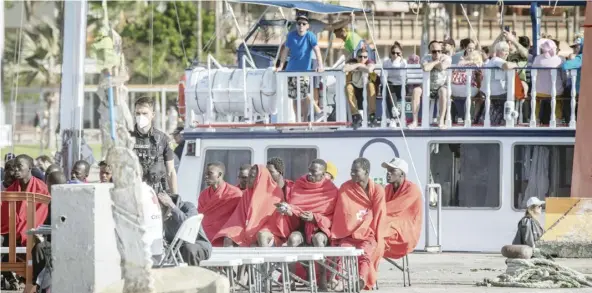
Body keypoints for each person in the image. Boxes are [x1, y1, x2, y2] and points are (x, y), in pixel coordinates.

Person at [271, 159, 338, 290]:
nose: (310, 174)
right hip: (302, 228)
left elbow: (333, 216)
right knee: (293, 239)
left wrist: (315, 217)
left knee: (319, 239)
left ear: (324, 174)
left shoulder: (331, 189)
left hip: (320, 229)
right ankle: (290, 280)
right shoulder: (300, 184)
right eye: (310, 170)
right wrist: (289, 209)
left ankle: (322, 280)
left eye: (315, 171)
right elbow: (296, 207)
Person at [330, 158, 386, 290]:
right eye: (351, 171)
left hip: (368, 234)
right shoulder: (345, 187)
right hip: (348, 234)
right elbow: (344, 212)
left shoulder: (378, 190)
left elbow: (379, 215)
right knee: (342, 253)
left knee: (365, 253)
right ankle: (340, 280)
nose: (352, 174)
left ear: (366, 172)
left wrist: (377, 237)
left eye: (356, 171)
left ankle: (361, 279)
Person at [213, 165, 282, 247]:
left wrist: (253, 229)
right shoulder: (247, 193)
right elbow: (239, 217)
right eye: (248, 176)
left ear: (260, 178)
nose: (248, 180)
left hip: (268, 231)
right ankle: (229, 260)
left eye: (251, 177)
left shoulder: (275, 193)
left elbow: (275, 222)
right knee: (228, 237)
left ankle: (267, 260)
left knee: (261, 237)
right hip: (247, 228)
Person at [275, 11, 325, 122]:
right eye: (299, 23)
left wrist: (320, 65)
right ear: (296, 25)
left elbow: (317, 50)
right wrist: (281, 66)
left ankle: (313, 114)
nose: (301, 26)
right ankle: (298, 120)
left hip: (304, 71)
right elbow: (285, 52)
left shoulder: (310, 36)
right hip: (291, 70)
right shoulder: (291, 36)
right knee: (294, 97)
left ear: (307, 26)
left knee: (303, 94)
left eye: (303, 24)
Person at [130, 96, 178, 194]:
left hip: (157, 193)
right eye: (138, 113)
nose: (140, 116)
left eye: (144, 113)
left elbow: (171, 172)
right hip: (134, 193)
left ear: (152, 115)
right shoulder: (127, 138)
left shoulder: (163, 139)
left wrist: (175, 197)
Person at [30, 171, 66, 293]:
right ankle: (40, 285)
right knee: (39, 246)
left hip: (61, 243)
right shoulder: (51, 201)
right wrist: (39, 232)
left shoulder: (63, 202)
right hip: (50, 241)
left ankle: (40, 286)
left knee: (40, 248)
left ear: (51, 185)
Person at [2, 155, 50, 245]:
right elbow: (5, 218)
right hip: (12, 232)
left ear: (30, 167)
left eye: (19, 166)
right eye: (14, 166)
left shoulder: (42, 189)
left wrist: (22, 230)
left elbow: (39, 217)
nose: (16, 169)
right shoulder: (10, 190)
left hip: (34, 232)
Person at [381, 158, 423, 260]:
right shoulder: (387, 189)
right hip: (391, 227)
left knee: (371, 236)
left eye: (392, 171)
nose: (388, 173)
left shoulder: (412, 189)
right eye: (388, 171)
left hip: (406, 233)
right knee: (368, 238)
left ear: (402, 174)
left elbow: (393, 208)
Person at [159, 191, 211, 266]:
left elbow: (188, 224)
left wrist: (173, 208)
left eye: (162, 208)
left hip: (197, 245)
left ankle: (192, 277)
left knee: (188, 249)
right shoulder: (163, 217)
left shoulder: (188, 206)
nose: (160, 211)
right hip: (175, 250)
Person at [198, 162, 243, 246]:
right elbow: (199, 216)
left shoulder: (235, 193)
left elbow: (239, 218)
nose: (206, 176)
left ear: (219, 174)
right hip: (205, 234)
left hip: (225, 235)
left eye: (209, 174)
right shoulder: (203, 194)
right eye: (205, 174)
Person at [410, 41, 451, 129]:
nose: (437, 53)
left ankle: (441, 121)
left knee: (444, 91)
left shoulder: (446, 58)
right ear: (430, 51)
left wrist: (432, 64)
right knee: (416, 91)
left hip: (440, 86)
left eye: (439, 51)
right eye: (434, 51)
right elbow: (425, 68)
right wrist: (436, 62)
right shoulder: (425, 57)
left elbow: (442, 67)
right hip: (426, 87)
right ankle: (415, 121)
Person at [256, 157, 295, 246]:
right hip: (271, 228)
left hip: (290, 228)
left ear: (280, 172)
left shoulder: (292, 188)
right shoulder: (264, 189)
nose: (267, 175)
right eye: (266, 172)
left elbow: (297, 209)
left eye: (271, 172)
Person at [532, 39, 565, 125]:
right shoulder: (560, 59)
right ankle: (558, 119)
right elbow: (564, 76)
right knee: (558, 101)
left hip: (539, 91)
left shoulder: (537, 59)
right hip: (556, 91)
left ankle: (535, 119)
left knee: (536, 101)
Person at [344, 48, 378, 129]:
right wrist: (359, 65)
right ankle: (356, 116)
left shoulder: (370, 62)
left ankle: (372, 115)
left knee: (371, 86)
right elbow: (345, 68)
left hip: (365, 88)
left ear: (368, 57)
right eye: (360, 57)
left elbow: (369, 69)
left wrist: (357, 66)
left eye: (365, 57)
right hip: (355, 87)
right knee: (348, 87)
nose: (363, 59)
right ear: (356, 57)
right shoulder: (352, 61)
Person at [383, 42, 407, 125]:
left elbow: (400, 73)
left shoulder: (404, 62)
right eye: (393, 53)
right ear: (390, 53)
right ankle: (393, 117)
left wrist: (397, 61)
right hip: (390, 83)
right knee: (388, 90)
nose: (395, 55)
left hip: (401, 83)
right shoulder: (386, 62)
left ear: (401, 53)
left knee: (400, 96)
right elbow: (383, 76)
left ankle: (398, 116)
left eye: (398, 53)